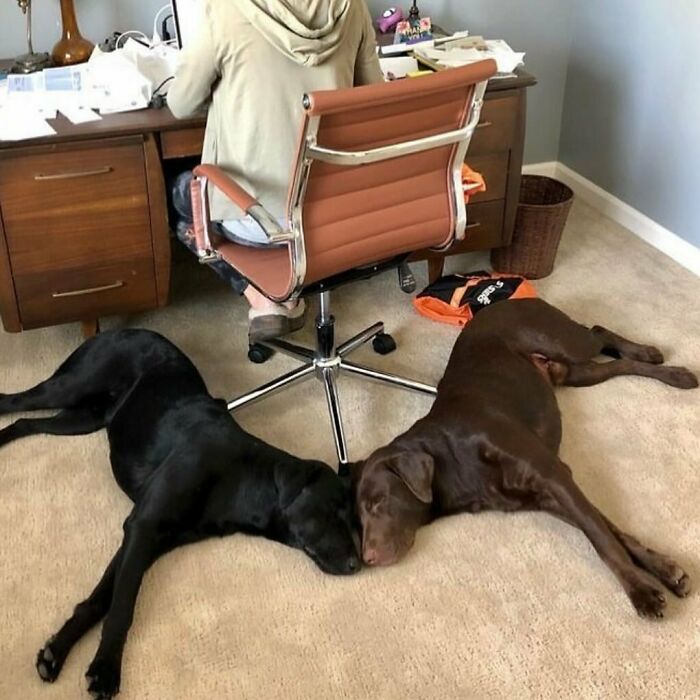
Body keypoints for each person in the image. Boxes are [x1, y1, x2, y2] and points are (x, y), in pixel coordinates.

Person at [168, 0, 383, 341]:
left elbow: (181, 104)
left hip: (258, 223)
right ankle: (289, 290)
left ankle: (264, 298)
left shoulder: (224, 10)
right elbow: (375, 96)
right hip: (334, 215)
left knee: (178, 192)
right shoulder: (351, 6)